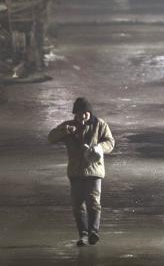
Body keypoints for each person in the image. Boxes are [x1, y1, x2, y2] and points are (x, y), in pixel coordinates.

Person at [48, 97, 115, 246]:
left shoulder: (100, 125)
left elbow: (110, 142)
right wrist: (65, 131)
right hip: (75, 172)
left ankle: (93, 232)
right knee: (78, 205)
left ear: (89, 112)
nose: (82, 116)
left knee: (93, 202)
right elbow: (51, 138)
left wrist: (98, 148)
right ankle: (83, 235)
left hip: (94, 170)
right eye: (78, 114)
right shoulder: (69, 126)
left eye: (84, 113)